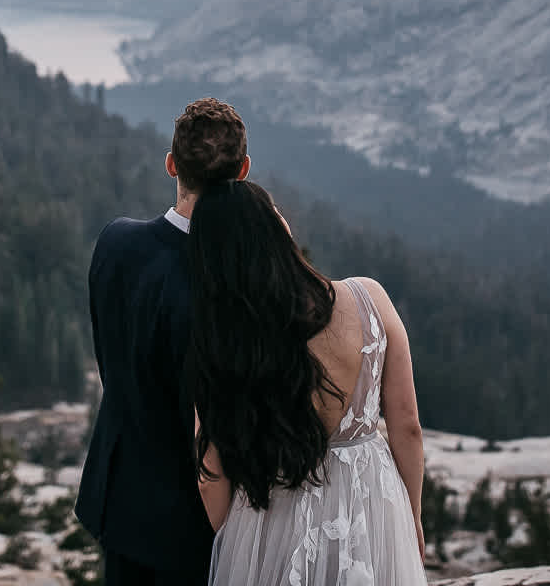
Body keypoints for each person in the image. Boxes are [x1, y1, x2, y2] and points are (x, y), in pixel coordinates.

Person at [188, 177, 426, 585]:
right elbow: (407, 426)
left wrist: (243, 540)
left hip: (271, 509)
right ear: (278, 227)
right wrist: (413, 515)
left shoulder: (224, 342)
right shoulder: (370, 298)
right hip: (370, 508)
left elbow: (211, 469)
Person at [75, 98, 250, 586]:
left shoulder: (115, 242)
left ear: (172, 163)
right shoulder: (228, 286)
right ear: (243, 172)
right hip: (191, 519)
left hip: (118, 494)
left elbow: (112, 360)